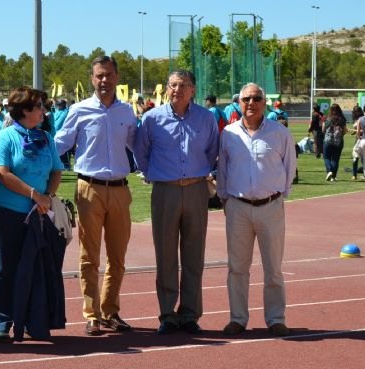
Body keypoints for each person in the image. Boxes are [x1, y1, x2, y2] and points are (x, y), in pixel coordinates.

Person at [54, 55, 137, 336]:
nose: (104, 80)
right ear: (92, 79)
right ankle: (92, 314)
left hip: (120, 189)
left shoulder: (127, 112)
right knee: (89, 256)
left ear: (117, 77)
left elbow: (139, 146)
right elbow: (60, 144)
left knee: (118, 257)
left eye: (109, 75)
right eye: (99, 75)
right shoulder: (78, 110)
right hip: (88, 189)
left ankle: (111, 311)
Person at [134, 70, 219, 335]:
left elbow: (213, 150)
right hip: (165, 191)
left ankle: (190, 313)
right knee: (166, 255)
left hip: (195, 189)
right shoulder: (151, 119)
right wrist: (152, 173)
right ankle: (168, 314)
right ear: (166, 89)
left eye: (183, 85)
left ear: (193, 89)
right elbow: (140, 151)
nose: (177, 90)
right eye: (172, 85)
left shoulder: (206, 119)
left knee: (194, 256)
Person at [217, 82, 297, 337]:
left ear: (264, 103)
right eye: (246, 99)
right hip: (238, 207)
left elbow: (289, 166)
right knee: (237, 268)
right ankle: (237, 319)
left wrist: (280, 194)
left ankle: (276, 319)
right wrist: (225, 200)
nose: (250, 103)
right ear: (238, 103)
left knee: (273, 267)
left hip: (270, 207)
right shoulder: (228, 133)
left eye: (255, 99)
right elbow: (223, 170)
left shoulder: (279, 133)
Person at [0, 86, 64, 343]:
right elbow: (2, 172)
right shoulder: (5, 137)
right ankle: (2, 322)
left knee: (34, 267)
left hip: (37, 212)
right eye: (40, 106)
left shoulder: (45, 137)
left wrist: (48, 197)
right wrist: (35, 194)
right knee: (6, 268)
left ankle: (32, 319)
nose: (44, 111)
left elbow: (56, 171)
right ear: (26, 111)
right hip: (6, 213)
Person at [322, 104, 347, 181]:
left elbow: (323, 129)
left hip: (328, 141)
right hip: (338, 141)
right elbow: (345, 130)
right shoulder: (342, 119)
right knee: (335, 159)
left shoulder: (326, 119)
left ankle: (329, 171)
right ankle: (333, 176)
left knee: (326, 157)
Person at [350, 105, 364, 180]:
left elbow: (363, 130)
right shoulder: (357, 119)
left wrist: (355, 131)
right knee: (356, 157)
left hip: (362, 139)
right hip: (358, 138)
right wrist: (354, 132)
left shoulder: (362, 119)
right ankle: (354, 174)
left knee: (360, 157)